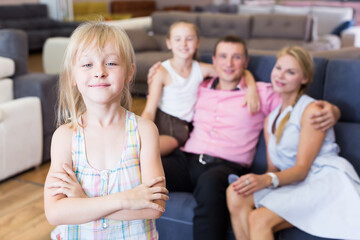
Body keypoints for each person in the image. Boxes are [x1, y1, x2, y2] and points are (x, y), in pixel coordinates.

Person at [160, 36, 340, 240]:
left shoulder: (264, 93)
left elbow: (297, 103)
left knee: (211, 185)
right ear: (214, 61)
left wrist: (333, 110)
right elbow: (173, 81)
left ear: (245, 63)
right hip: (187, 159)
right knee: (145, 171)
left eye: (236, 57)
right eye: (223, 57)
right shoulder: (199, 87)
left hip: (224, 166)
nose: (228, 63)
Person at [43, 22, 168, 240]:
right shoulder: (65, 137)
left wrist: (82, 203)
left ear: (129, 72)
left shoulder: (144, 131)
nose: (99, 72)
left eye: (110, 63)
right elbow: (55, 212)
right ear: (72, 76)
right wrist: (127, 199)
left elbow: (154, 207)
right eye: (87, 65)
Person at [226, 46, 360, 240]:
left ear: (304, 78)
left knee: (259, 219)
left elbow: (302, 169)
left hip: (322, 179)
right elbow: (274, 169)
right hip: (295, 182)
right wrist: (256, 180)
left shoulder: (313, 110)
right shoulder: (270, 120)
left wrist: (264, 179)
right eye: (278, 68)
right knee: (235, 192)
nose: (280, 76)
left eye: (290, 72)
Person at [141, 21, 260, 156]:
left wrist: (251, 88)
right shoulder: (162, 71)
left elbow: (235, 71)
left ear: (198, 43)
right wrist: (141, 133)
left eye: (189, 39)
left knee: (149, 151)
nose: (184, 44)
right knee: (142, 147)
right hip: (161, 119)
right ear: (169, 43)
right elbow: (149, 110)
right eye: (178, 39)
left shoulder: (202, 69)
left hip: (181, 127)